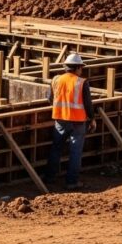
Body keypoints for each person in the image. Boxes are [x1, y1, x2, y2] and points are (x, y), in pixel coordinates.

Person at [45, 53, 96, 190]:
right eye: (81, 68)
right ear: (78, 67)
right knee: (75, 152)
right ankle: (71, 182)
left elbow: (49, 99)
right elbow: (88, 104)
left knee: (56, 149)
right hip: (78, 122)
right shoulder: (82, 82)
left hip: (60, 119)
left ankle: (50, 178)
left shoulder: (56, 79)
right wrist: (92, 119)